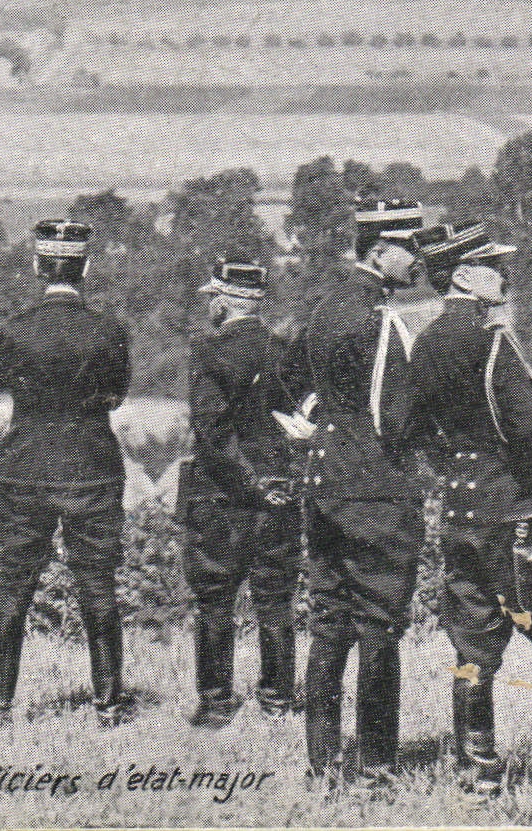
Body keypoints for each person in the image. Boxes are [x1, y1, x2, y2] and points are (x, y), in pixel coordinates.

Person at [398, 221, 532, 795]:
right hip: (521, 510)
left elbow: (410, 429)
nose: (502, 274)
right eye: (491, 264)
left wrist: (457, 467)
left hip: (461, 513)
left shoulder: (424, 344)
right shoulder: (492, 341)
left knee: (472, 647)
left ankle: (476, 775)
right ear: (462, 274)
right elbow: (530, 428)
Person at [279, 195, 445, 786]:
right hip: (374, 491)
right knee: (379, 625)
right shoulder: (380, 320)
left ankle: (321, 765)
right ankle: (376, 767)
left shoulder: (324, 308)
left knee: (328, 622)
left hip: (323, 485)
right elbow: (396, 419)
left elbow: (291, 384)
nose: (419, 260)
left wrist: (328, 424)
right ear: (379, 250)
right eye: (410, 248)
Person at [0, 219, 137, 728]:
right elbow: (117, 392)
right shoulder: (108, 331)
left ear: (37, 266)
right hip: (91, 468)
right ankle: (109, 705)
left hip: (25, 468)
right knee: (97, 586)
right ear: (86, 267)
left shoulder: (15, 330)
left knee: (13, 589)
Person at [180, 259, 302, 728]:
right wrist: (272, 482)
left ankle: (215, 704)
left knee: (214, 597)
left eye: (213, 296)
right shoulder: (284, 351)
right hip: (280, 490)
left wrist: (245, 483)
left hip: (221, 494)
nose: (210, 304)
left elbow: (210, 434)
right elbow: (299, 422)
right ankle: (276, 701)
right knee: (275, 596)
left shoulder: (209, 352)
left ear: (223, 302)